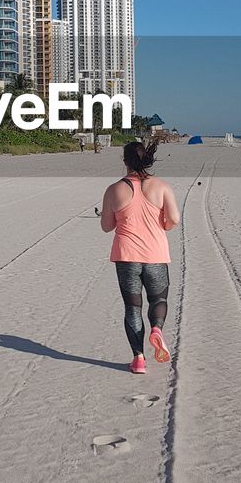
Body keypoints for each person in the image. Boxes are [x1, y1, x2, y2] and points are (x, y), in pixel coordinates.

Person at [100, 138, 180, 374]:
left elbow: (106, 226)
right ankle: (157, 329)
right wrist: (163, 225)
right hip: (155, 255)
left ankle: (138, 359)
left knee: (132, 308)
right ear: (146, 158)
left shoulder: (114, 189)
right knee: (159, 301)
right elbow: (173, 218)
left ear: (124, 161)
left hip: (126, 257)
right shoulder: (162, 187)